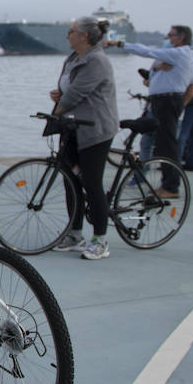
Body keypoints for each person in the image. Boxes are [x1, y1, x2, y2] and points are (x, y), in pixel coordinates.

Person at [49, 16, 119, 260]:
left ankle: (100, 239)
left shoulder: (97, 60)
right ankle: (75, 233)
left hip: (95, 129)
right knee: (70, 181)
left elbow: (77, 93)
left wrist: (55, 113)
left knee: (91, 181)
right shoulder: (72, 58)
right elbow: (69, 88)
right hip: (73, 126)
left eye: (71, 31)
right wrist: (59, 94)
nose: (67, 35)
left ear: (84, 36)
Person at [107, 26, 193, 197]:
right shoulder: (179, 55)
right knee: (162, 144)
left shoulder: (179, 54)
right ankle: (167, 183)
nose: (168, 38)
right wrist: (157, 70)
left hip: (167, 100)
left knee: (167, 144)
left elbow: (146, 51)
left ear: (181, 37)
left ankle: (171, 186)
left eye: (171, 35)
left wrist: (119, 43)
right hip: (163, 100)